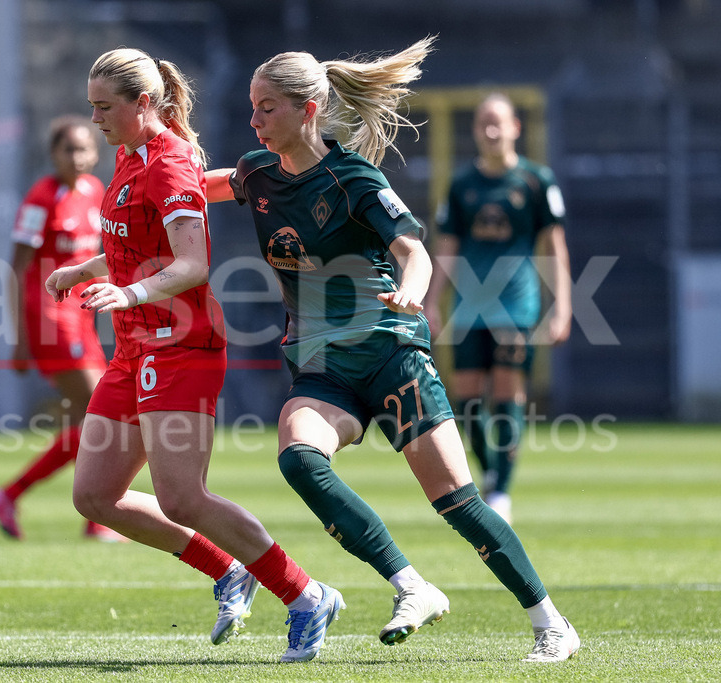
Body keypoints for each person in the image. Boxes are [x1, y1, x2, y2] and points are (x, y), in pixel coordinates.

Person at [205, 39, 580, 663]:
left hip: (388, 350)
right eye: (251, 107)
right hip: (322, 365)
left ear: (309, 109)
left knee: (457, 503)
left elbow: (414, 250)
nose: (253, 121)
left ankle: (552, 624)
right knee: (299, 460)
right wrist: (158, 174)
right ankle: (412, 586)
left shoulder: (354, 177)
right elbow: (195, 188)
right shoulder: (255, 173)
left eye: (266, 108)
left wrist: (410, 291)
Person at [44, 47, 343, 663]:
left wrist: (125, 290)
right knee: (95, 497)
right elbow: (138, 247)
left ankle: (306, 594)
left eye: (105, 107)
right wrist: (86, 267)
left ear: (143, 102)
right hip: (134, 348)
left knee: (182, 497)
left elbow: (193, 264)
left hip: (183, 348)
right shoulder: (129, 157)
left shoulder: (170, 166)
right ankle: (228, 571)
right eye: (92, 106)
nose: (95, 119)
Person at [425, 93, 572, 523]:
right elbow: (447, 249)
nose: (491, 130)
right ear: (475, 131)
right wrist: (432, 302)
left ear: (515, 128)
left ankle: (502, 492)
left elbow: (554, 248)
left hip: (515, 308)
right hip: (469, 310)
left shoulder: (536, 181)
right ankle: (491, 474)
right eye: (484, 123)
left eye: (499, 122)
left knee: (508, 395)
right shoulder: (461, 184)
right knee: (468, 402)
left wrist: (562, 307)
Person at [0, 116, 125, 543]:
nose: (78, 157)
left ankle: (11, 495)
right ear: (53, 154)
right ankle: (97, 519)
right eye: (69, 149)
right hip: (47, 317)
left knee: (96, 420)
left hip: (79, 318)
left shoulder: (95, 193)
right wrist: (20, 340)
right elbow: (17, 268)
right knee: (106, 414)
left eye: (85, 149)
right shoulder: (40, 198)